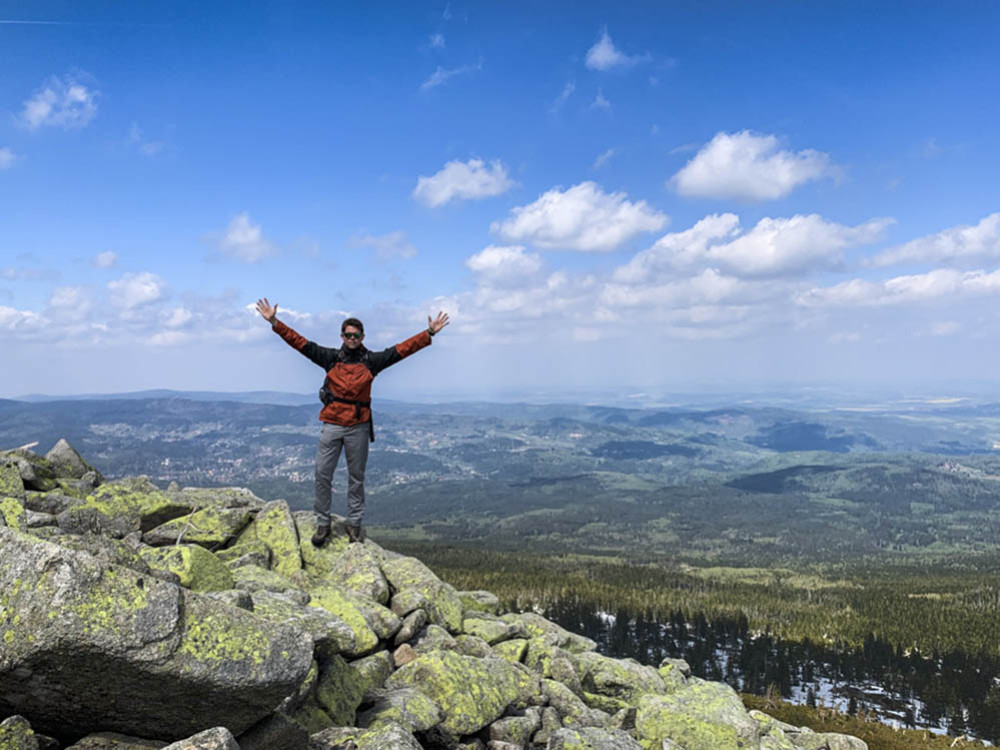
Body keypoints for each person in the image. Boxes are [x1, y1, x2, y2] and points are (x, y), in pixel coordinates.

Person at [256, 297, 449, 545]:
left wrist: (429, 332)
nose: (352, 339)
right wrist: (274, 321)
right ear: (342, 336)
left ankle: (355, 524)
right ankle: (323, 523)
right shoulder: (330, 358)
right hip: (333, 424)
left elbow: (402, 350)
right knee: (322, 475)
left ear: (363, 336)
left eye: (356, 335)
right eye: (348, 335)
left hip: (358, 426)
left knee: (356, 478)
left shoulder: (372, 361)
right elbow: (299, 342)